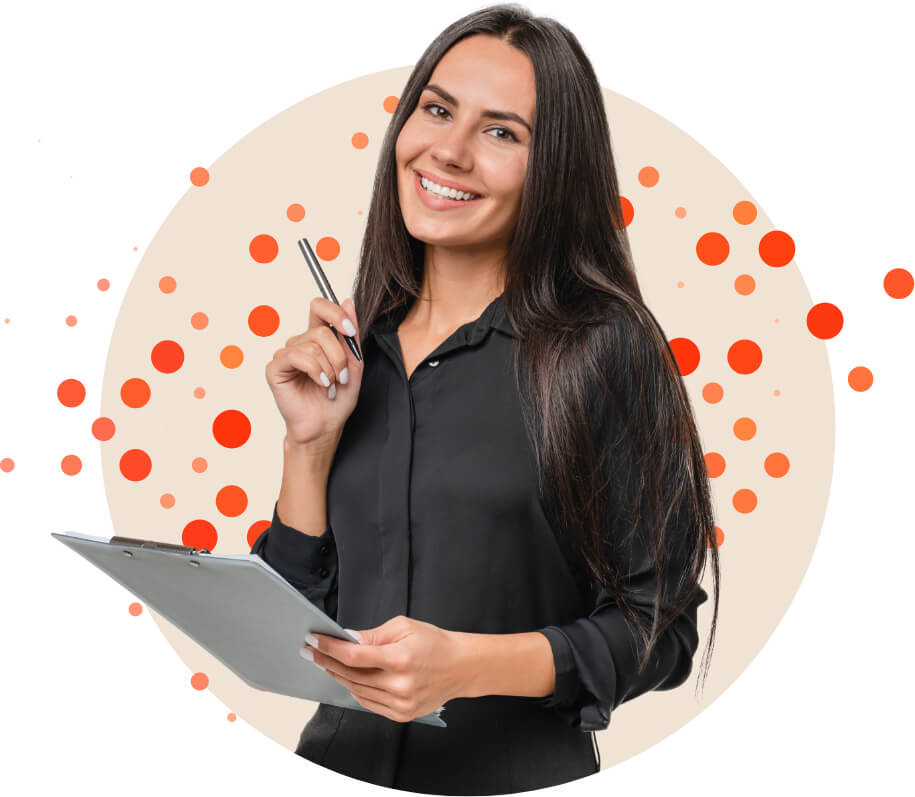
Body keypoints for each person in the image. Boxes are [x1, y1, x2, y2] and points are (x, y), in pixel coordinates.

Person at [251, 4, 720, 794]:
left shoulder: (604, 350)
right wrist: (308, 444)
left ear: (554, 170)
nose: (449, 151)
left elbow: (659, 632)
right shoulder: (364, 349)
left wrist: (470, 664)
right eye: (436, 110)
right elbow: (300, 629)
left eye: (501, 132)